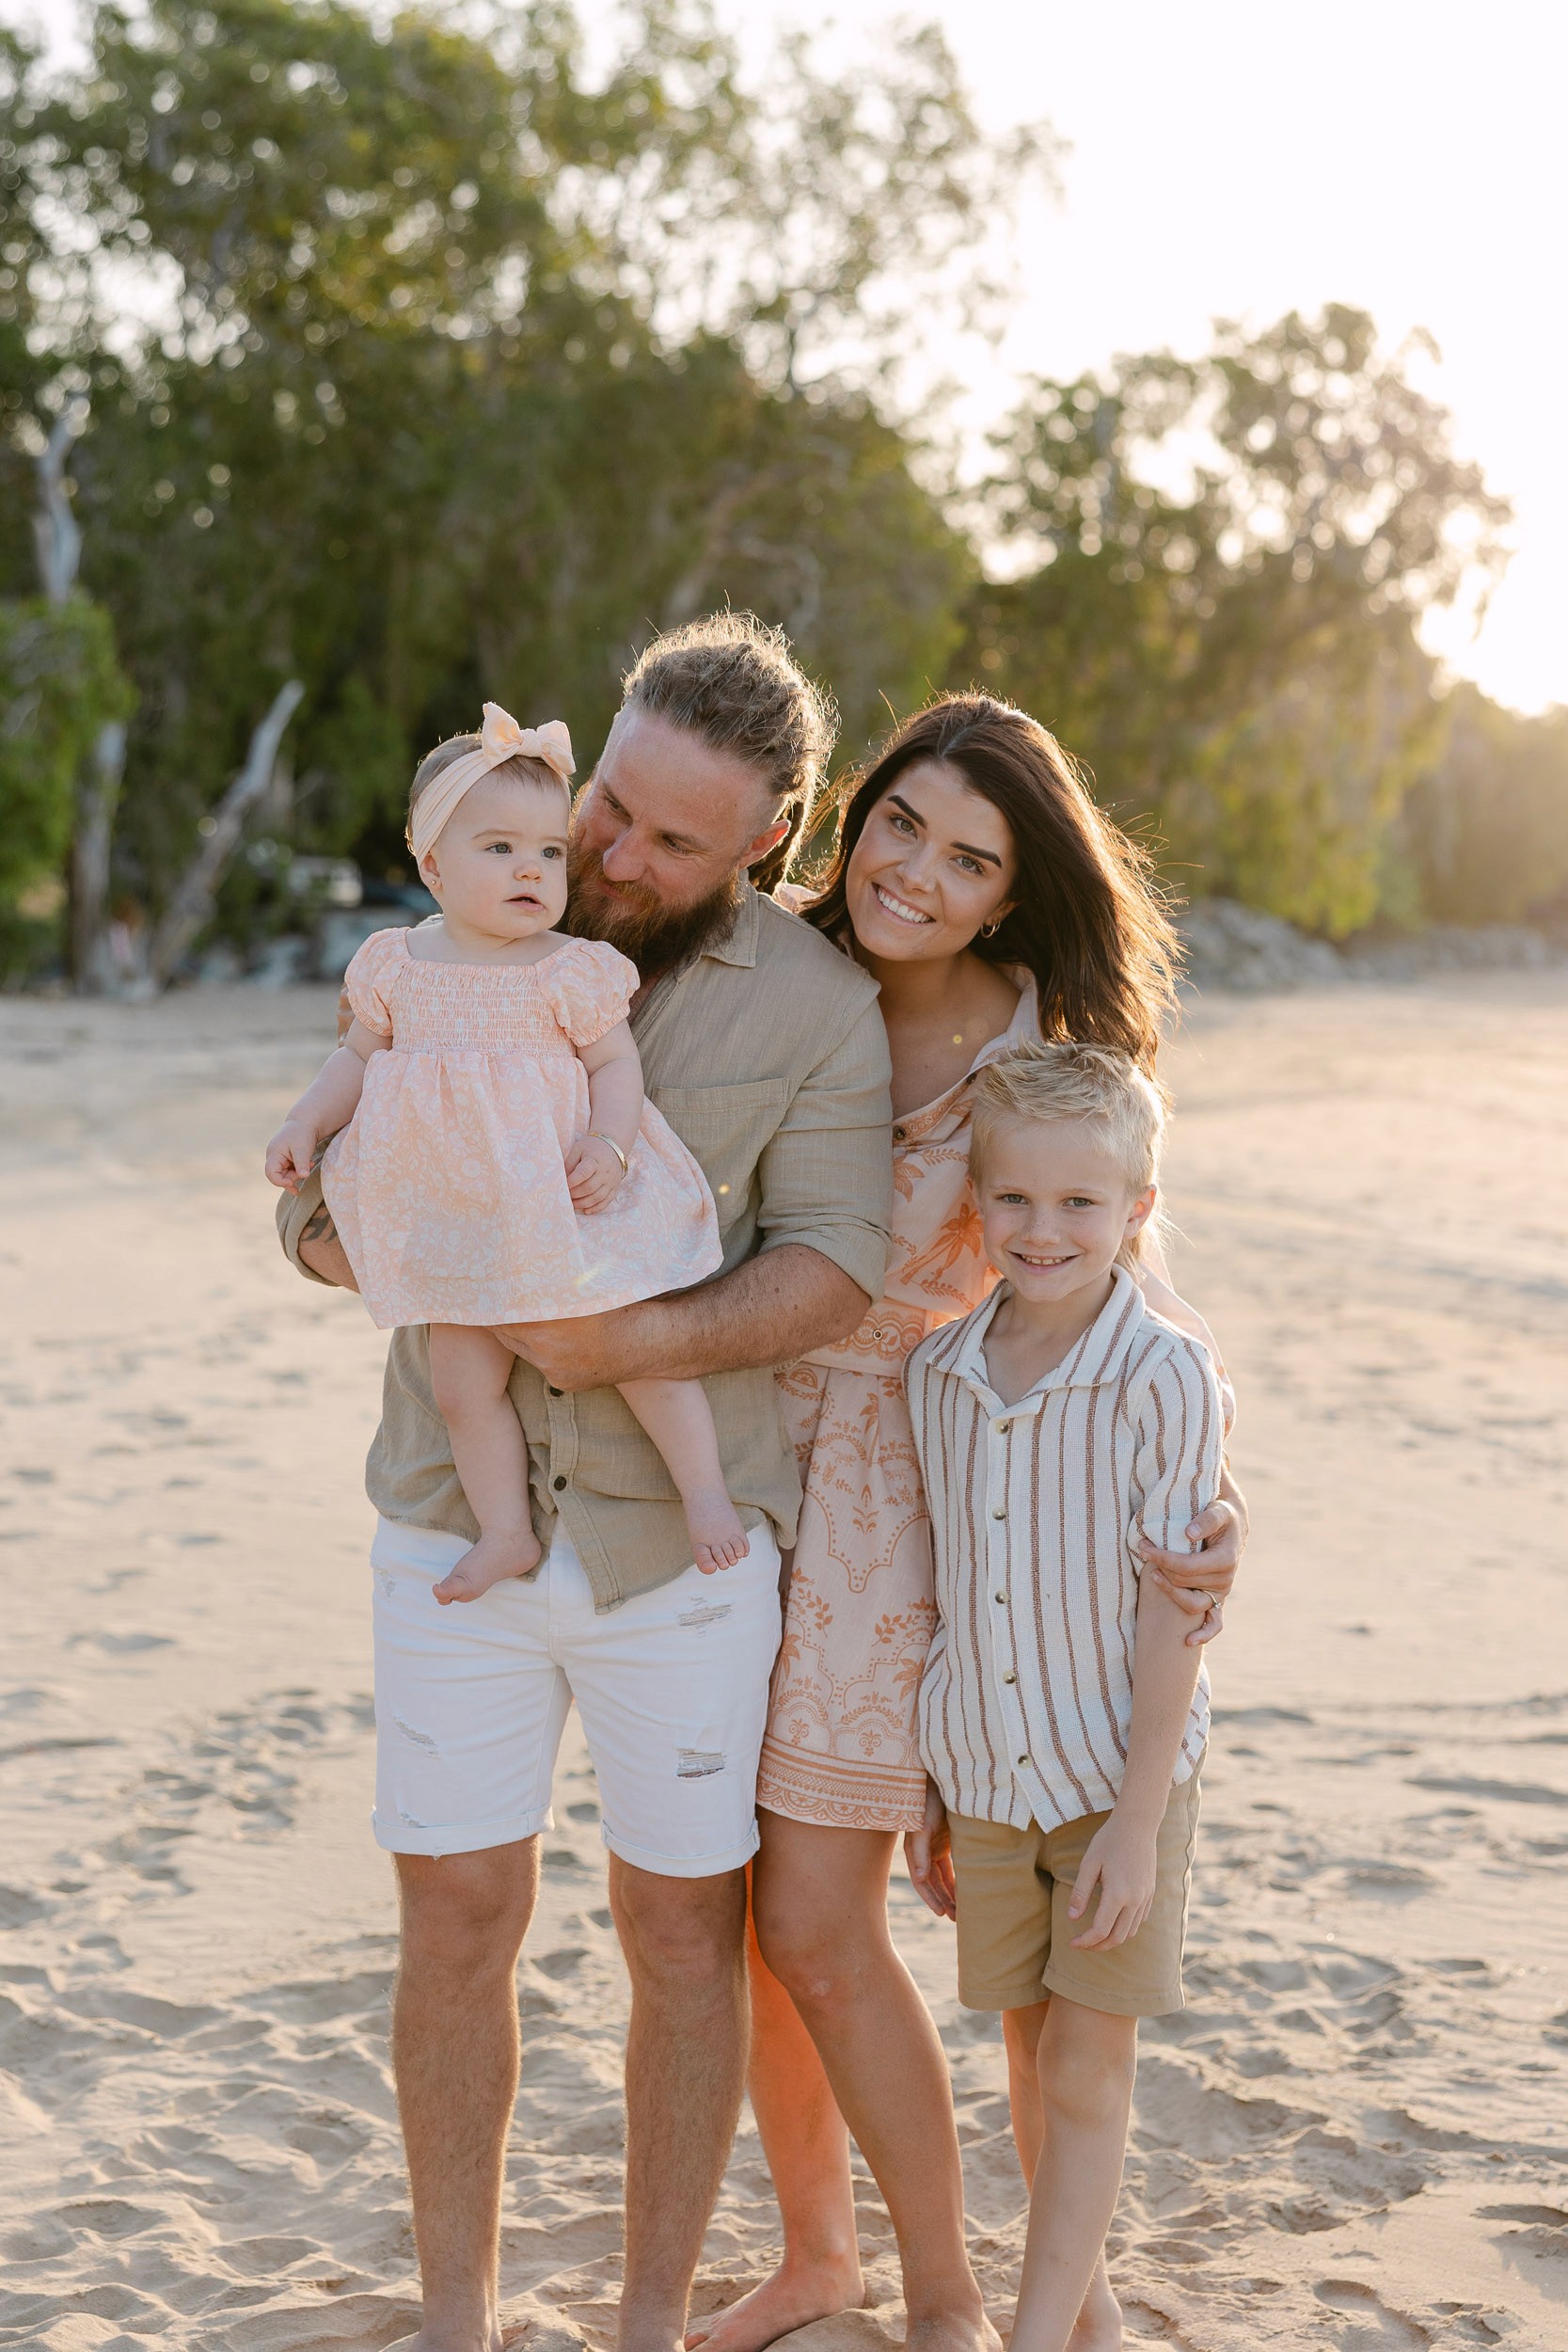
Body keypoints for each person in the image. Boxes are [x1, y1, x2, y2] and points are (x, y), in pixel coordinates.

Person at [273, 613, 895, 2352]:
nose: (607, 855)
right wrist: (415, 1255)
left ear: (761, 843)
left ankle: (641, 2322)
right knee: (457, 1908)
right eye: (607, 802)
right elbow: (310, 1203)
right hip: (445, 1512)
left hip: (678, 1550)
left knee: (679, 1929)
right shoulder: (441, 939)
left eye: (668, 839)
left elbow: (837, 1263)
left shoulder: (824, 1010)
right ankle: (460, 2321)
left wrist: (617, 1341)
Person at [692, 696, 1244, 2352]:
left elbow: (1124, 1298)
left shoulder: (1039, 1052)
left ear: (1013, 893)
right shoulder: (771, 971)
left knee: (818, 1914)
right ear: (851, 816)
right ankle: (817, 2256)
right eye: (899, 824)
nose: (915, 873)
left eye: (969, 857)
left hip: (909, 1501)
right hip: (716, 1456)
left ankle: (953, 2297)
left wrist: (1213, 1515)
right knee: (737, 1918)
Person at [264, 704, 747, 1598]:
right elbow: (354, 1059)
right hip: (454, 1209)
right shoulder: (397, 964)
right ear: (432, 864)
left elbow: (614, 1067)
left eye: (550, 851)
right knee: (461, 1386)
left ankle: (707, 1495)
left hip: (558, 1201)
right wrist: (305, 1123)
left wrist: (609, 1143)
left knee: (638, 1350)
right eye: (499, 850)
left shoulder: (567, 966)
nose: (531, 868)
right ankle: (504, 1533)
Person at [904, 1041, 1225, 2352]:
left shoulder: (1162, 1377)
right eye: (1016, 1201)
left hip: (1112, 1779)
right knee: (1029, 2056)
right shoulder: (935, 1375)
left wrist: (1138, 1821)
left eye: (1081, 1204)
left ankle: (1032, 2338)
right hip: (983, 1774)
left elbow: (1174, 1611)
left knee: (1089, 2067)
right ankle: (1086, 2321)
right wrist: (929, 1784)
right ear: (976, 1202)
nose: (1043, 1231)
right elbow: (944, 1585)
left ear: (1135, 1212)